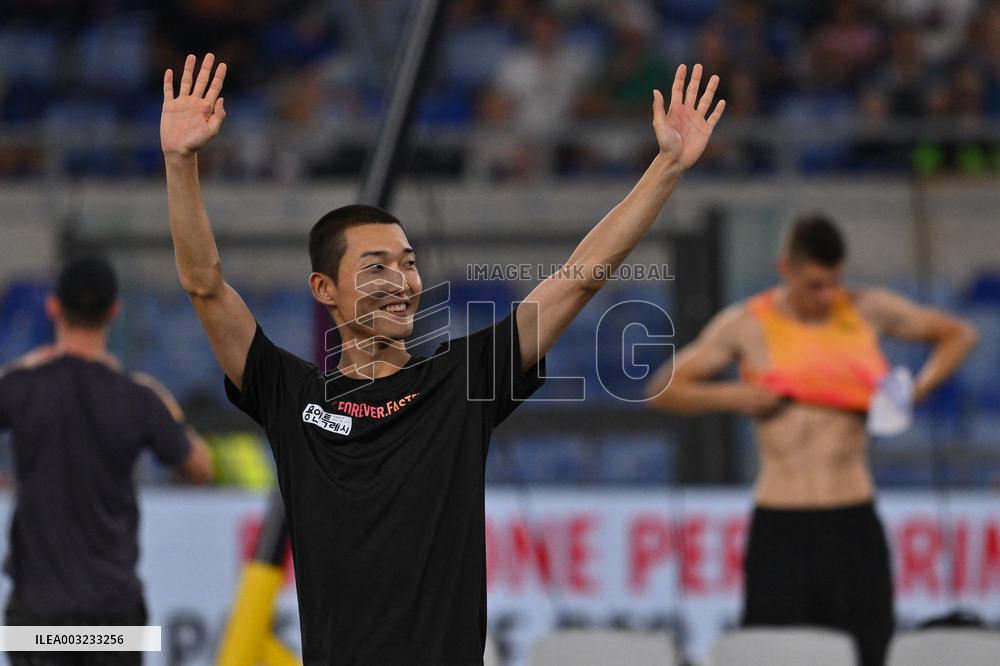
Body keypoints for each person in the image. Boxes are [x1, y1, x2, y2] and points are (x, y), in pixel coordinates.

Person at [160, 52, 725, 664]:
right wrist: (181, 161)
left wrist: (666, 167)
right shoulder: (291, 395)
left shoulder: (463, 380)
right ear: (325, 290)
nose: (402, 281)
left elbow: (577, 279)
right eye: (376, 267)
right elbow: (205, 286)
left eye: (409, 264)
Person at [645, 215, 978, 666]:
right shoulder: (747, 324)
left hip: (852, 518)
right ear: (787, 269)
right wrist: (731, 395)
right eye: (815, 285)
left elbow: (958, 334)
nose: (827, 296)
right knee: (774, 656)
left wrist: (913, 393)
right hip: (781, 523)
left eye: (834, 283)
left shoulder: (865, 309)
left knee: (869, 653)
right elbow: (663, 388)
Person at [0, 255, 213, 665]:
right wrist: (168, 406)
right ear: (114, 311)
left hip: (38, 615)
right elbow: (200, 467)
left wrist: (19, 368)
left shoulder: (23, 387)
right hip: (111, 614)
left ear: (53, 307)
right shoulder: (138, 397)